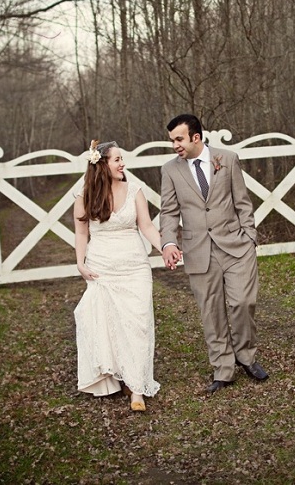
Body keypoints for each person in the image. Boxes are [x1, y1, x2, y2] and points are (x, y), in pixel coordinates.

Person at [160, 114, 269, 393]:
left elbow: (242, 201)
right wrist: (169, 243)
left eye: (179, 139)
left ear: (196, 137)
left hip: (236, 246)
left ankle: (246, 356)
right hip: (198, 250)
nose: (175, 145)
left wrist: (250, 237)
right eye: (172, 140)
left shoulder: (227, 159)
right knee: (211, 312)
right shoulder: (170, 170)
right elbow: (169, 211)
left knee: (243, 302)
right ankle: (223, 368)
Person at [73, 140, 161, 412]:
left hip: (134, 267)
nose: (123, 164)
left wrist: (167, 248)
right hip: (103, 268)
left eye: (122, 159)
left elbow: (146, 226)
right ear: (102, 164)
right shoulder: (84, 195)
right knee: (108, 324)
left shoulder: (134, 190)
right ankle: (118, 375)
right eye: (117, 160)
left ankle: (137, 388)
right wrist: (80, 263)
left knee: (138, 323)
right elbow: (81, 233)